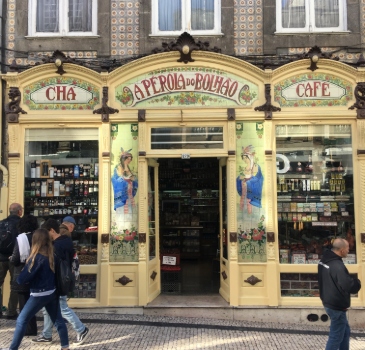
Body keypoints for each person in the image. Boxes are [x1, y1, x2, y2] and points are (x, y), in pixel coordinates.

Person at [3, 228, 69, 350]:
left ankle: (13, 348)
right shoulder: (52, 255)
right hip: (52, 292)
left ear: (35, 241)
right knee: (58, 320)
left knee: (21, 320)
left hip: (38, 294)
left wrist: (21, 273)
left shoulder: (36, 258)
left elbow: (22, 279)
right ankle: (65, 347)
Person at [33, 218, 90, 346]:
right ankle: (47, 335)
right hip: (62, 280)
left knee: (62, 307)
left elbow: (53, 265)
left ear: (52, 231)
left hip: (58, 281)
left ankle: (82, 329)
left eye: (46, 233)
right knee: (48, 308)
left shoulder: (56, 246)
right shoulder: (66, 241)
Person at [318, 238, 361, 350]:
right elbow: (349, 285)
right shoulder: (337, 265)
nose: (348, 250)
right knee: (336, 336)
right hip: (336, 305)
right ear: (341, 250)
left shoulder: (324, 260)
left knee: (345, 332)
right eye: (347, 248)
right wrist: (357, 282)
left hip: (329, 301)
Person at [9, 215, 38, 336]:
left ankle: (28, 329)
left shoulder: (21, 238)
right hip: (36, 274)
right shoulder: (38, 237)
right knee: (33, 303)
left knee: (23, 303)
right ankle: (34, 328)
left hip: (22, 274)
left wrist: (11, 258)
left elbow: (16, 259)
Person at [0, 203, 22, 319]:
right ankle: (11, 311)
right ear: (19, 212)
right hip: (14, 258)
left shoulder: (2, 223)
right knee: (15, 285)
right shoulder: (20, 224)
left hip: (1, 258)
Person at [236, 145, 263, 214]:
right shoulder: (245, 167)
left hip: (249, 185)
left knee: (248, 200)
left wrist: (248, 182)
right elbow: (242, 176)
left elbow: (256, 178)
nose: (245, 160)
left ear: (249, 158)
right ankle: (241, 211)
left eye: (246, 158)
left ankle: (249, 213)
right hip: (244, 184)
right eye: (244, 158)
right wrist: (240, 178)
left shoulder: (254, 166)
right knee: (242, 198)